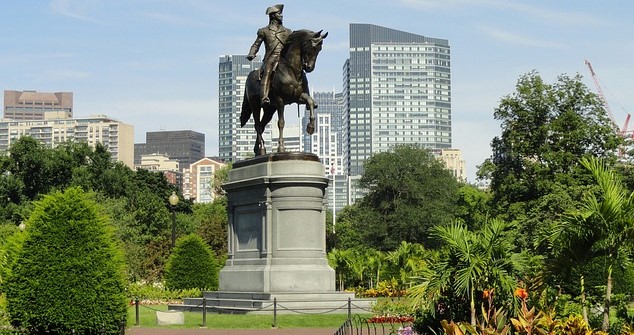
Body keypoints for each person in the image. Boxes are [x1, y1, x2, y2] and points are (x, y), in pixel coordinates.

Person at [246, 4, 292, 107]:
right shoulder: (264, 31)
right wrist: (251, 53)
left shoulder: (288, 32)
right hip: (271, 58)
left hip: (283, 60)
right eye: (279, 14)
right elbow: (256, 44)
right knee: (267, 72)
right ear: (273, 15)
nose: (282, 16)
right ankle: (264, 97)